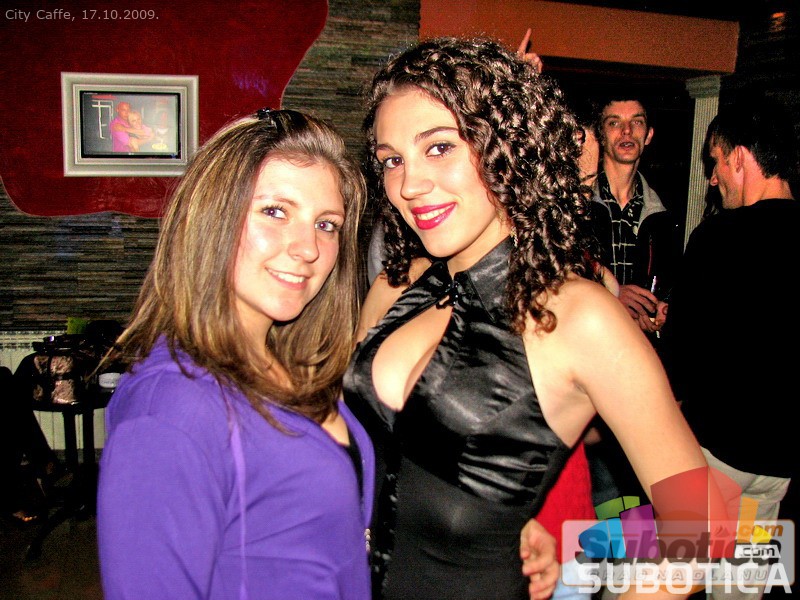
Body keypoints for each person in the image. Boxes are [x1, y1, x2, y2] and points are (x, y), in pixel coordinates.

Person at [344, 36, 712, 600]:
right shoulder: (395, 285)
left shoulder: (580, 316)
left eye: (439, 147)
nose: (409, 184)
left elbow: (703, 528)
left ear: (505, 147)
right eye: (392, 159)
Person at [97, 108, 374, 600]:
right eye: (275, 212)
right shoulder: (173, 407)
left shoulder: (288, 364)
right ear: (213, 220)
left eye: (326, 224)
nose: (308, 248)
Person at [660, 93, 798, 600]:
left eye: (716, 162)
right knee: (741, 589)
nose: (713, 179)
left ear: (740, 157)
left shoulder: (716, 238)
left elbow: (678, 359)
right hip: (780, 462)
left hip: (711, 455)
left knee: (665, 581)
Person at [584, 90, 683, 506]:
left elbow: (668, 282)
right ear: (601, 135)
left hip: (638, 365)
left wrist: (660, 312)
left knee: (637, 500)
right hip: (588, 365)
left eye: (636, 122)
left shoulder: (663, 212)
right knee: (598, 494)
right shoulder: (578, 203)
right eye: (614, 123)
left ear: (649, 134)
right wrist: (614, 298)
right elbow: (557, 275)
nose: (626, 131)